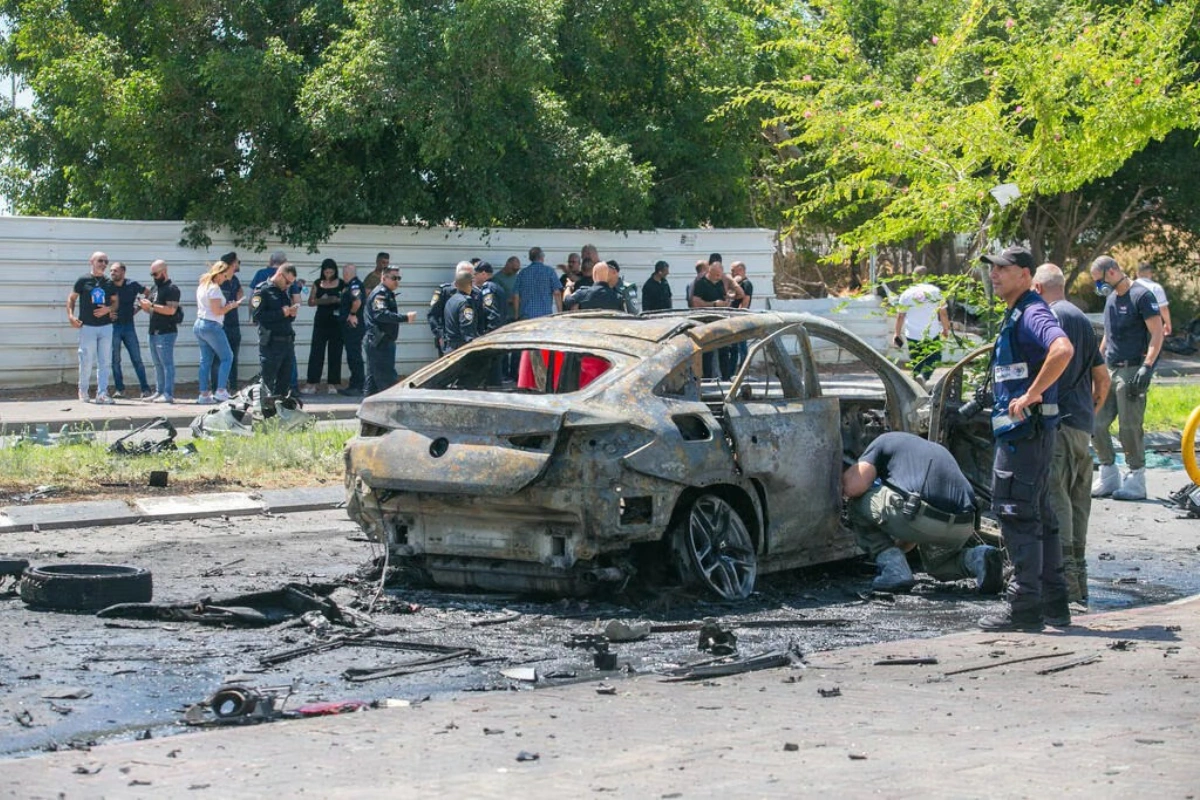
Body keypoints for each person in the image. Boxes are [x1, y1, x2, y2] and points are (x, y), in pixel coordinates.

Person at [977, 245, 1074, 632]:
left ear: (1025, 274)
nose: (995, 274)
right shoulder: (1017, 313)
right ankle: (1054, 603)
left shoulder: (1032, 311)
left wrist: (1032, 393)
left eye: (1003, 268)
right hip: (1029, 435)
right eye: (993, 269)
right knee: (1040, 516)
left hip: (1024, 435)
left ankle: (1023, 606)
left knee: (1016, 514)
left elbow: (1062, 349)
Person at [1033, 263, 1111, 609]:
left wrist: (1032, 395)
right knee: (1080, 504)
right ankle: (1080, 587)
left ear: (1037, 287)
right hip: (1082, 426)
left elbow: (1054, 360)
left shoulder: (1051, 319)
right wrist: (1091, 412)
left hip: (1060, 423)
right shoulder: (1080, 318)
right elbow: (1103, 378)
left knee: (1057, 500)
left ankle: (1064, 588)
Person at [842, 432, 1003, 594]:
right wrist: (898, 549)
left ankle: (894, 572)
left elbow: (853, 487)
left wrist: (843, 475)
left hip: (921, 518)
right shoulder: (932, 451)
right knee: (939, 565)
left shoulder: (883, 441)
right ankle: (979, 558)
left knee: (857, 503)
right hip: (964, 525)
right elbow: (911, 535)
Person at [1090, 256, 1165, 502]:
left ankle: (1136, 477)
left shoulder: (1141, 296)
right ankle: (1109, 472)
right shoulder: (1111, 299)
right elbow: (1107, 336)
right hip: (1109, 370)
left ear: (1112, 272)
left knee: (1129, 427)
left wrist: (1147, 366)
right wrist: (1096, 363)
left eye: (1099, 281)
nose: (1098, 287)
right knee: (1096, 423)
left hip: (1132, 369)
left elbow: (1157, 333)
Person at [67, 251, 119, 404]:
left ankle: (102, 393)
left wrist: (108, 309)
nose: (103, 264)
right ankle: (83, 390)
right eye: (100, 261)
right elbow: (71, 298)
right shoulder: (83, 280)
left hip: (105, 326)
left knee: (105, 360)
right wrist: (71, 316)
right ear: (92, 261)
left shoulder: (109, 283)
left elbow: (115, 302)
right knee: (86, 359)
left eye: (106, 262)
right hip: (87, 325)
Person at [364, 265, 418, 396]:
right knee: (387, 379)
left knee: (373, 381)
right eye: (394, 278)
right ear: (384, 278)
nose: (397, 281)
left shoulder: (386, 293)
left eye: (399, 278)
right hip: (380, 342)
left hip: (381, 341)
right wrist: (405, 317)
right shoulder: (380, 293)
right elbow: (380, 315)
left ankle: (367, 408)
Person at [689, 257, 745, 380]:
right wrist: (713, 304)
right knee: (707, 353)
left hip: (720, 319)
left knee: (724, 350)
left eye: (720, 275)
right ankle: (706, 379)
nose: (718, 277)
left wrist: (727, 300)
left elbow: (725, 296)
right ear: (710, 272)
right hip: (706, 321)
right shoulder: (701, 283)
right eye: (715, 275)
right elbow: (695, 301)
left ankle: (726, 378)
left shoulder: (720, 282)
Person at [194, 260, 241, 404]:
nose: (225, 279)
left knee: (205, 361)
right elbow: (217, 311)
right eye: (225, 276)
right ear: (219, 273)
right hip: (212, 325)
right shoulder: (214, 288)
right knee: (227, 357)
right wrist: (231, 306)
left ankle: (204, 394)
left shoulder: (203, 285)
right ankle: (221, 391)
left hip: (199, 324)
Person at [892, 266, 951, 380]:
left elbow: (900, 316)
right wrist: (945, 329)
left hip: (912, 334)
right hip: (931, 333)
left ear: (914, 277)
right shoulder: (935, 291)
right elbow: (943, 314)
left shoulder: (906, 294)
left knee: (916, 361)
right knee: (934, 358)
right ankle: (925, 379)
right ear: (927, 277)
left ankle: (916, 382)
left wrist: (897, 333)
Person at [251, 262, 299, 401]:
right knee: (267, 383)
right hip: (271, 344)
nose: (288, 285)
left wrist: (291, 313)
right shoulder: (262, 290)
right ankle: (263, 416)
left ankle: (279, 415)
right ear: (279, 274)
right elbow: (257, 316)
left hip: (287, 343)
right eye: (287, 282)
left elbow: (286, 318)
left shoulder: (283, 292)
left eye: (291, 283)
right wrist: (281, 313)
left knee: (284, 383)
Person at [107, 261, 152, 399]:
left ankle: (145, 389)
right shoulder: (108, 286)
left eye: (115, 270)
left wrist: (139, 308)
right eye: (111, 271)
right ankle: (120, 389)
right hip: (113, 326)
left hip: (128, 326)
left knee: (136, 358)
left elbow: (149, 293)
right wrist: (107, 312)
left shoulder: (132, 284)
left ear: (123, 272)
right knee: (115, 360)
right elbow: (99, 302)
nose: (112, 273)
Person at [138, 259, 180, 403]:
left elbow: (171, 310)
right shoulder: (155, 289)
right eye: (152, 274)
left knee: (167, 364)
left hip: (166, 331)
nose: (154, 277)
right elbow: (151, 307)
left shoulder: (172, 289)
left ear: (164, 272)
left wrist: (152, 306)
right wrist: (145, 307)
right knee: (157, 364)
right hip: (153, 331)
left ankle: (168, 394)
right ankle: (159, 391)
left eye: (156, 274)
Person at [302, 258, 345, 394]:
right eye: (326, 272)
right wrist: (324, 300)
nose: (328, 274)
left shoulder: (341, 283)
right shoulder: (317, 283)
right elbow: (311, 301)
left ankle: (332, 384)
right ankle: (312, 383)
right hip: (321, 321)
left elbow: (346, 299)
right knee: (316, 352)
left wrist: (336, 300)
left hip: (336, 321)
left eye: (331, 271)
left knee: (335, 352)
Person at [213, 251, 244, 393]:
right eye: (237, 261)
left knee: (233, 357)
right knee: (218, 358)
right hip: (221, 324)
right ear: (232, 264)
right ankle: (218, 387)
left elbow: (240, 291)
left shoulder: (235, 280)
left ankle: (233, 387)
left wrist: (237, 299)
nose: (239, 264)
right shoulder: (219, 280)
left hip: (234, 323)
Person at [429, 261, 474, 355]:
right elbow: (433, 315)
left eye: (471, 275)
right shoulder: (445, 291)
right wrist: (440, 335)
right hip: (447, 341)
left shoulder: (476, 292)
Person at [337, 263, 366, 397]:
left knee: (354, 356)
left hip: (353, 326)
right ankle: (354, 384)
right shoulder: (349, 286)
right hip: (349, 326)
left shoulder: (354, 285)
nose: (344, 275)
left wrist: (352, 314)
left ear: (350, 273)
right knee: (352, 355)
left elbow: (357, 301)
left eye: (345, 273)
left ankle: (357, 385)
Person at [513, 246, 562, 321]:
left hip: (526, 316)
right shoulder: (550, 271)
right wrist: (560, 313)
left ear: (530, 258)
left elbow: (516, 295)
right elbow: (557, 293)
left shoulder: (522, 273)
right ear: (542, 257)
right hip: (545, 316)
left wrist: (516, 315)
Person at [443, 272, 478, 352]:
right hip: (461, 350)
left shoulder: (450, 300)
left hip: (450, 347)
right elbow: (467, 329)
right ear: (471, 283)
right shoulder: (465, 302)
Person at [1135, 263, 1172, 336]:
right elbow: (1163, 308)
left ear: (1137, 273)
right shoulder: (1156, 288)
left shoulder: (1129, 287)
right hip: (1151, 327)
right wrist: (1168, 324)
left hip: (1131, 326)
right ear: (1150, 274)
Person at [730, 261, 754, 371]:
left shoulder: (746, 284)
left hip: (740, 318)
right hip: (734, 317)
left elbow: (745, 301)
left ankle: (744, 370)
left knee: (741, 346)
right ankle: (733, 370)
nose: (731, 273)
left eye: (733, 270)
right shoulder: (737, 283)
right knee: (734, 347)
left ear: (740, 270)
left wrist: (738, 316)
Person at [472, 262, 507, 334]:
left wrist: (489, 333)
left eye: (475, 274)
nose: (473, 277)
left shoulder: (488, 288)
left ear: (483, 274)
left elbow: (491, 312)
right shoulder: (496, 286)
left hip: (493, 332)